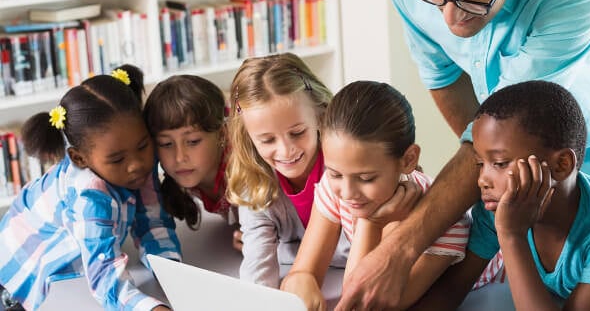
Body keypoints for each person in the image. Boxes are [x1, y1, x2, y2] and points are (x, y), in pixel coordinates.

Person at [340, 0, 590, 308]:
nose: (451, 19)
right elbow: (445, 79)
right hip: (515, 175)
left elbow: (506, 120)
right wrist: (492, 165)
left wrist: (400, 248)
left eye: (474, 0)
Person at [412, 80, 590, 310]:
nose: (482, 180)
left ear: (561, 165)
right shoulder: (501, 206)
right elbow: (452, 288)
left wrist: (512, 235)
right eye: (480, 164)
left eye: (500, 163)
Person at [0, 66, 181, 311]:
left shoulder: (138, 166)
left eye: (142, 146)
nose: (136, 164)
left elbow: (152, 221)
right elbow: (105, 277)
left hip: (73, 273)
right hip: (17, 277)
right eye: (117, 159)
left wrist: (172, 272)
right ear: (79, 158)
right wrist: (151, 308)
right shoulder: (88, 196)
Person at [280, 81, 470, 311]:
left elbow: (362, 304)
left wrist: (371, 222)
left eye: (366, 178)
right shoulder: (335, 187)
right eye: (335, 173)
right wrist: (300, 283)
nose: (347, 193)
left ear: (408, 160)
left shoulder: (446, 223)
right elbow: (302, 272)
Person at [225, 53, 350, 289]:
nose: (286, 150)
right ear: (248, 137)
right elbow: (257, 276)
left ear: (320, 115)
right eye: (267, 140)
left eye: (297, 132)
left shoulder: (347, 167)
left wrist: (283, 250)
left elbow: (350, 252)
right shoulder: (255, 183)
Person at [144, 75, 242, 250]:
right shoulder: (184, 178)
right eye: (166, 144)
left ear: (222, 134)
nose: (179, 157)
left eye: (193, 141)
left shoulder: (246, 170)